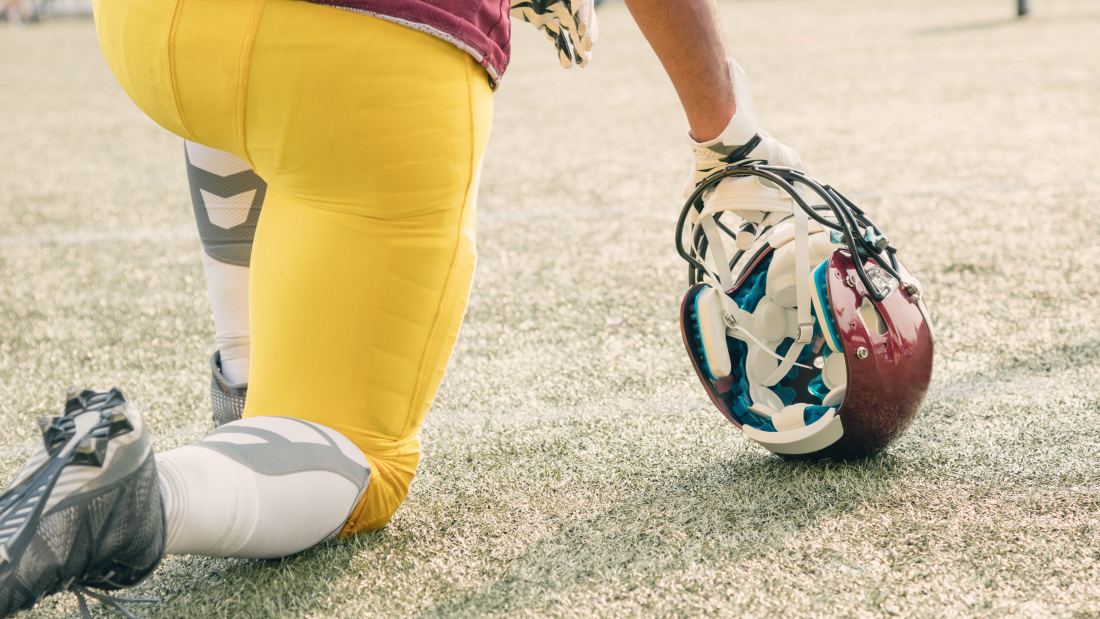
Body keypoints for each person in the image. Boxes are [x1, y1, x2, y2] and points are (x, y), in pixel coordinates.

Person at [0, 0, 802, 615]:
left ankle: (246, 378)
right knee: (364, 457)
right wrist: (732, 139)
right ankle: (135, 499)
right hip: (355, 47)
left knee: (244, 91)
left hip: (147, 35)